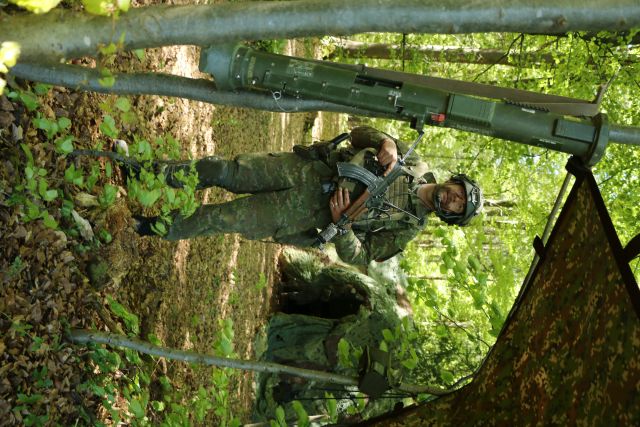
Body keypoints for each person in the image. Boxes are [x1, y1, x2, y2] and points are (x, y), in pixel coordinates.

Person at [123, 126, 483, 265]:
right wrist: (385, 141)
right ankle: (146, 173)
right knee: (222, 170)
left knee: (222, 217)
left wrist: (344, 227)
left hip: (304, 215)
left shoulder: (407, 229)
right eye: (459, 194)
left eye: (458, 207)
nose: (453, 200)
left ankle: (149, 227)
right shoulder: (413, 161)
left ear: (450, 217)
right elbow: (359, 134)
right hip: (307, 171)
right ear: (454, 182)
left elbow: (361, 256)